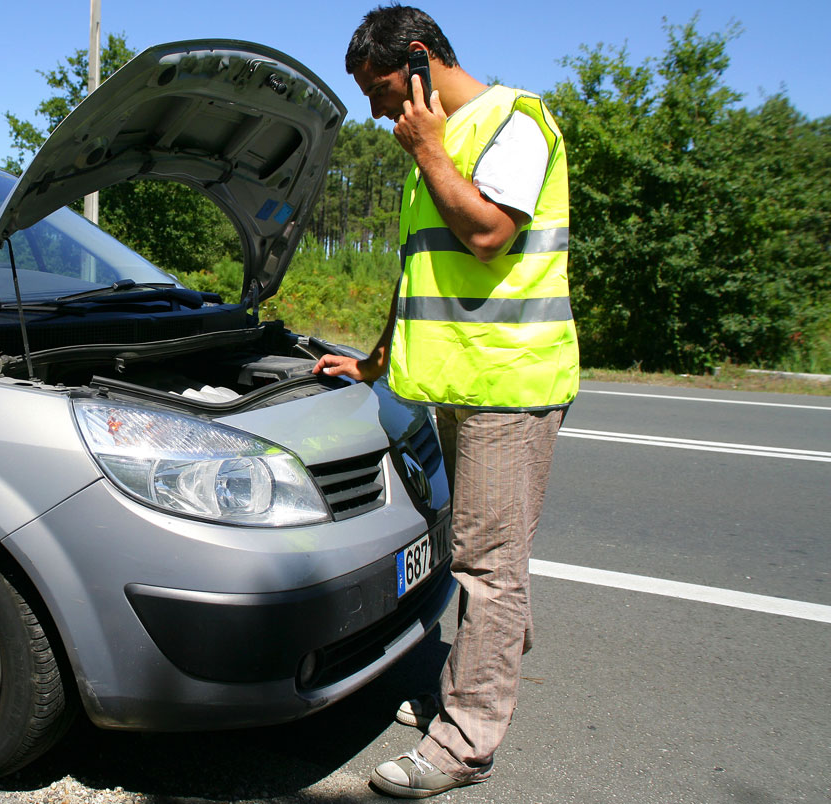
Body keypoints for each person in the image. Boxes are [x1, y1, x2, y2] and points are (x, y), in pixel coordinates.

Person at [315, 4, 578, 798]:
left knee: (490, 571)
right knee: (479, 556)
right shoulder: (434, 146)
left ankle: (465, 743)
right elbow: (422, 271)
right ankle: (480, 676)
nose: (375, 109)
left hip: (508, 383)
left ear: (421, 58)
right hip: (458, 386)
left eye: (382, 86)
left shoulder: (512, 121)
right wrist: (374, 363)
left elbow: (490, 233)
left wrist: (427, 148)